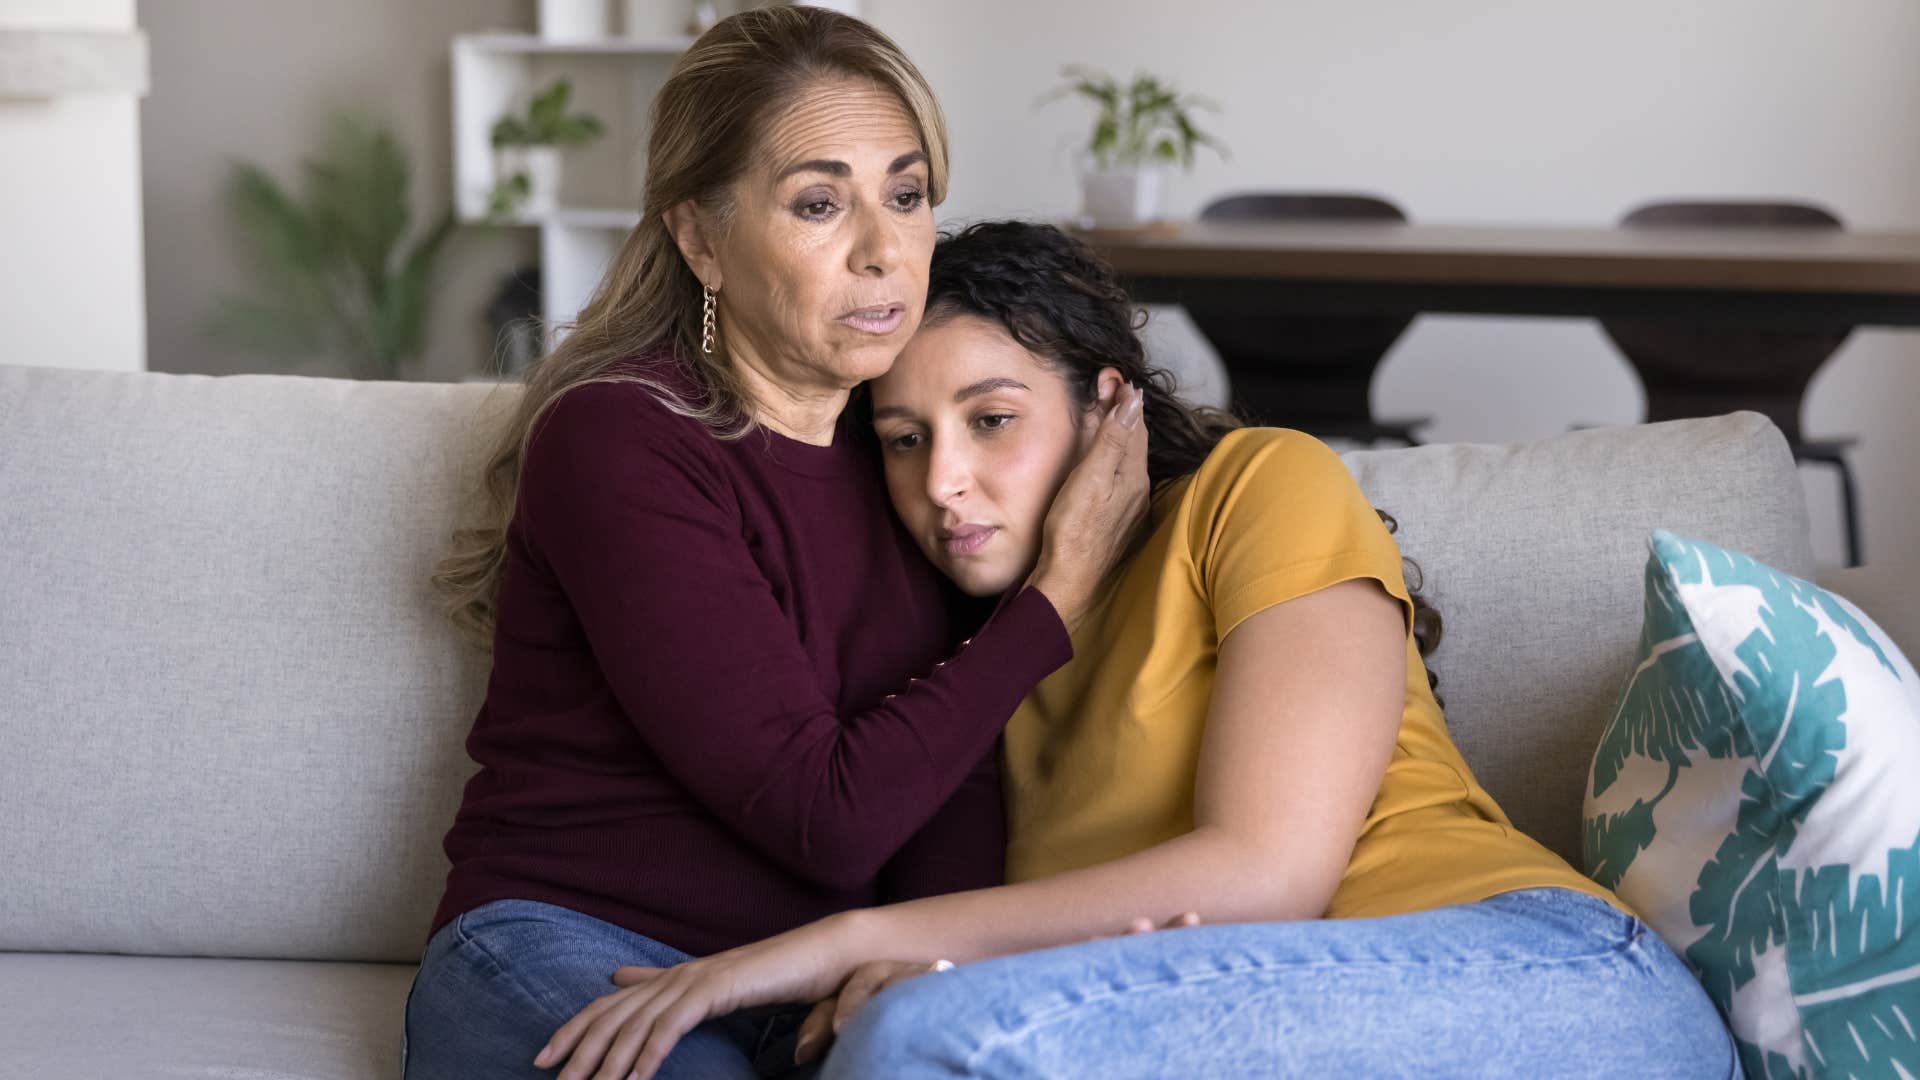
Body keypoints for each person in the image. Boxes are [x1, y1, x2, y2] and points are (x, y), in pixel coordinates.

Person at [534, 222, 1742, 1080]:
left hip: (1550, 986)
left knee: (920, 1044)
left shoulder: (1256, 487)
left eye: (993, 420)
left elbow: (1267, 879)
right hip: (1245, 1024)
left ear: (1106, 407)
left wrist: (857, 948)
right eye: (902, 440)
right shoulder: (973, 664)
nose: (944, 480)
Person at [403, 13, 1151, 1079]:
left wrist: (922, 958)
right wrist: (1057, 593)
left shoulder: (906, 440)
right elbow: (824, 817)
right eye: (818, 203)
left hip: (804, 975)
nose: (884, 251)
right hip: (577, 952)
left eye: (906, 194)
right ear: (701, 238)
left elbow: (955, 774)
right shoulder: (621, 437)